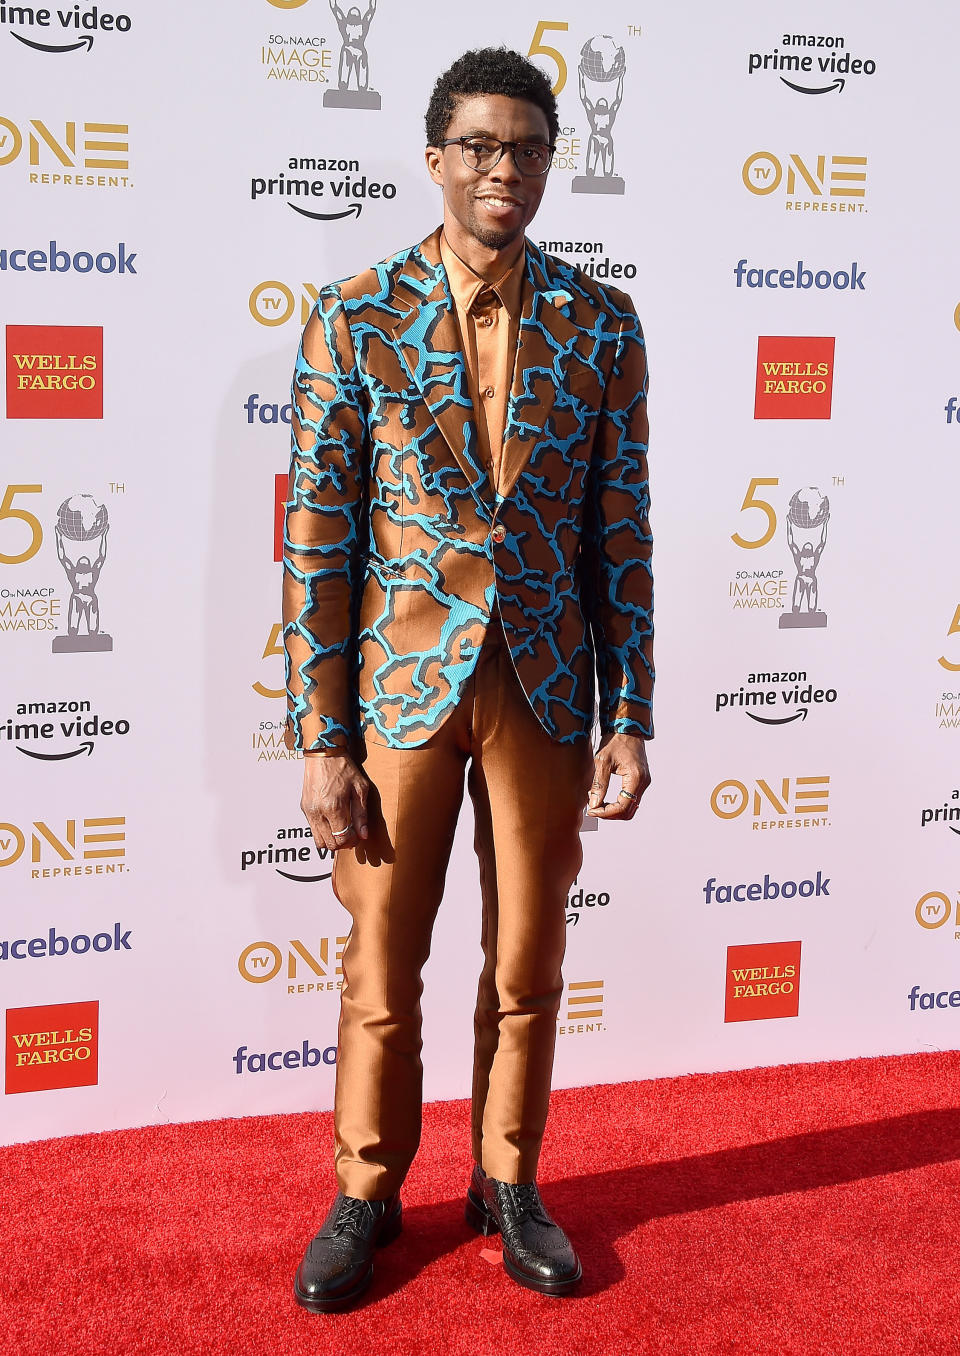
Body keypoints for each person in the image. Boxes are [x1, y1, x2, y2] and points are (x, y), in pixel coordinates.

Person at [282, 46, 653, 1312]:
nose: (506, 170)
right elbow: (319, 538)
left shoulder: (601, 324)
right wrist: (321, 739)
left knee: (528, 958)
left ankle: (508, 1182)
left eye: (530, 148)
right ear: (436, 157)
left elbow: (622, 530)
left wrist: (633, 714)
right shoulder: (354, 315)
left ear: (555, 161)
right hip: (396, 689)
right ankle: (366, 1190)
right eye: (483, 147)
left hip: (546, 691)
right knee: (382, 963)